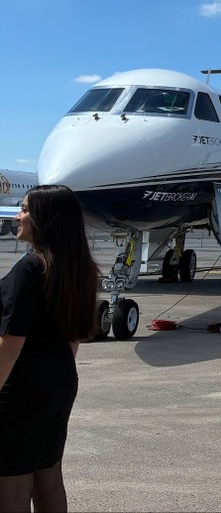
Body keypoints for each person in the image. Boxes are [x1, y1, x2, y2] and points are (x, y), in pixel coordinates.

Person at [0, 185, 99, 511]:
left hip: (20, 389)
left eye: (25, 209)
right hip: (59, 382)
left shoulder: (30, 269)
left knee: (11, 482)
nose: (18, 214)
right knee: (48, 474)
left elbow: (10, 345)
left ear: (46, 219)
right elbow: (73, 338)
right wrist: (53, 377)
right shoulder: (77, 269)